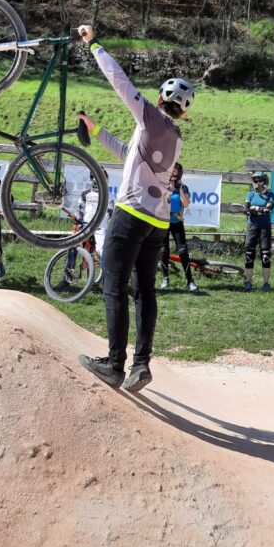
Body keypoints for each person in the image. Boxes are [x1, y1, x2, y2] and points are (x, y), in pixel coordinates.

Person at [76, 23, 194, 393]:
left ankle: (114, 365)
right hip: (157, 223)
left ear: (159, 99)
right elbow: (129, 155)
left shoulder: (149, 117)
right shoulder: (175, 137)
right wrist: (96, 131)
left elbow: (120, 81)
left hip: (130, 215)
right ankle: (141, 365)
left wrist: (93, 44)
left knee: (114, 286)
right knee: (145, 290)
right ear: (182, 113)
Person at [160, 162, 198, 293]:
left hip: (177, 221)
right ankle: (165, 278)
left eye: (175, 171)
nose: (172, 173)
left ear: (179, 173)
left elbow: (186, 204)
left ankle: (190, 281)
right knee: (163, 250)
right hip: (164, 221)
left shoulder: (183, 187)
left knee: (182, 250)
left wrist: (180, 190)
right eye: (171, 170)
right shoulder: (162, 186)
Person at [244, 170, 274, 292]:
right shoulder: (250, 194)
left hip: (265, 227)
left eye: (260, 180)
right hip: (252, 226)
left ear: (265, 182)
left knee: (265, 255)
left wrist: (254, 208)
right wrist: (260, 210)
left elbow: (268, 209)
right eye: (255, 181)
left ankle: (266, 283)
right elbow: (246, 209)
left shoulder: (271, 195)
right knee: (249, 255)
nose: (257, 183)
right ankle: (248, 282)